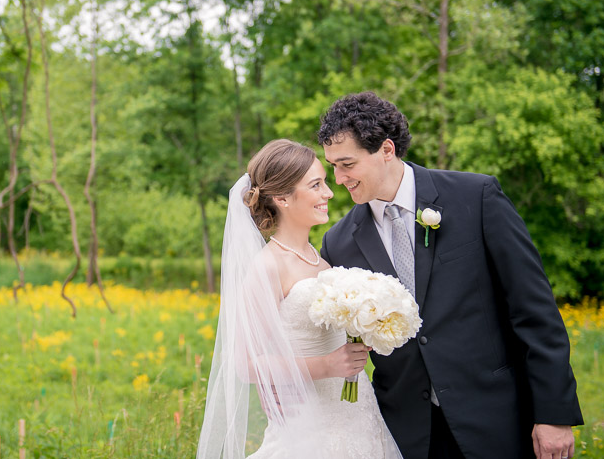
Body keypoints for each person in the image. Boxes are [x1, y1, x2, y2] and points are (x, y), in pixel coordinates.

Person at [318, 92, 583, 459]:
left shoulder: (477, 197)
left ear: (387, 150)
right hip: (408, 435)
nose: (339, 178)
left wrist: (554, 414)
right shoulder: (337, 243)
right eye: (332, 165)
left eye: (347, 164)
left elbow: (533, 310)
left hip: (497, 419)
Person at [196, 139, 402, 459]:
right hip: (311, 425)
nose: (329, 193)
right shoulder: (267, 267)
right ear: (282, 198)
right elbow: (246, 365)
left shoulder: (320, 261)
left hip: (358, 411)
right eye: (316, 185)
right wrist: (328, 364)